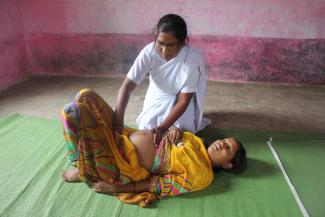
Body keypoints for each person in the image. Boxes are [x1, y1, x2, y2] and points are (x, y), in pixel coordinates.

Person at [61, 89, 247, 207]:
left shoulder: (203, 174)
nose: (221, 143)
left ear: (227, 165)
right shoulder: (196, 141)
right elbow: (173, 137)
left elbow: (160, 185)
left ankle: (82, 166)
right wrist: (175, 130)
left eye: (227, 148)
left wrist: (116, 189)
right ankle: (88, 160)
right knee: (87, 96)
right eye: (225, 140)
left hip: (122, 161)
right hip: (123, 135)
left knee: (72, 112)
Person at [114, 14, 210, 144]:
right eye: (160, 43)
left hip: (181, 101)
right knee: (146, 128)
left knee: (181, 135)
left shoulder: (191, 61)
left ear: (183, 43)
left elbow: (183, 101)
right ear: (156, 38)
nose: (164, 51)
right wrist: (118, 122)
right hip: (157, 94)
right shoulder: (149, 52)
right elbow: (127, 86)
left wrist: (162, 128)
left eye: (171, 45)